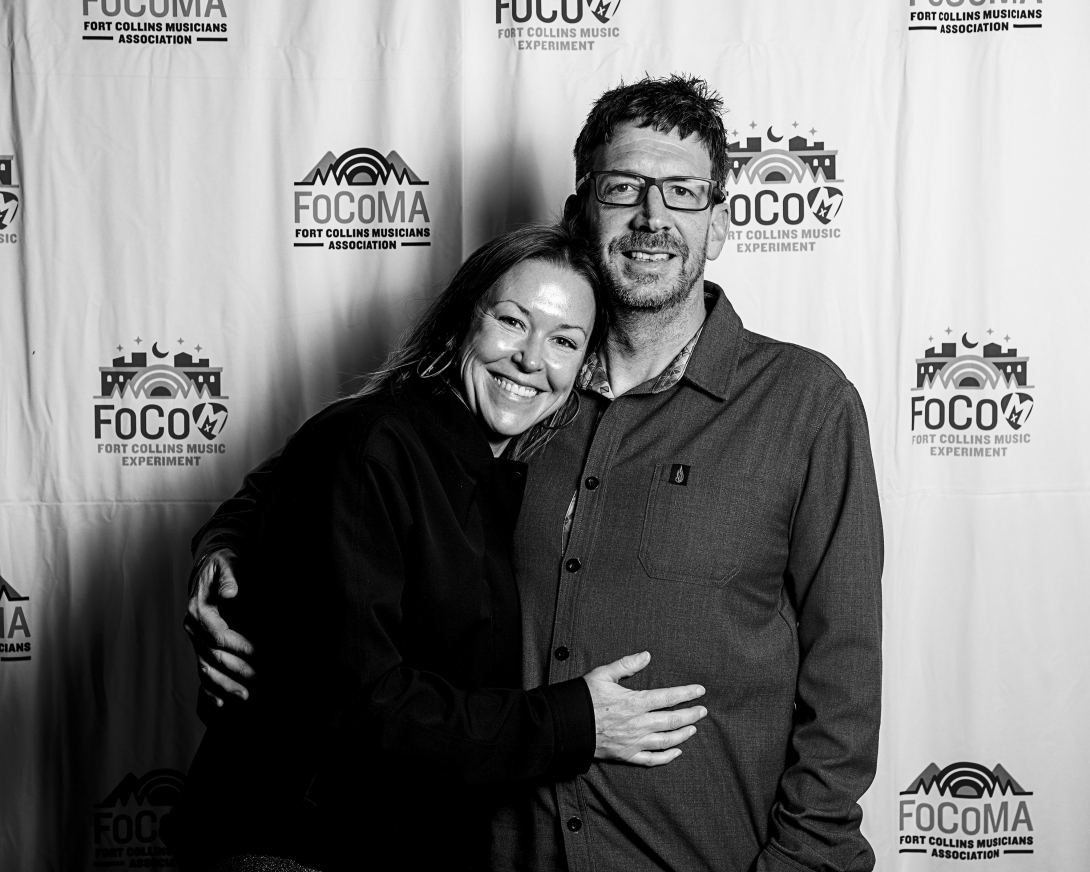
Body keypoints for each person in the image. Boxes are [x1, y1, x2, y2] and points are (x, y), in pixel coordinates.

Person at [186, 75, 884, 872]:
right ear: (581, 211)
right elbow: (300, 484)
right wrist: (222, 561)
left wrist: (805, 861)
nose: (652, 217)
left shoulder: (805, 404)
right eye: (624, 187)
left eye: (684, 193)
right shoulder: (519, 396)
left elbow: (845, 672)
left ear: (718, 223)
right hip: (493, 851)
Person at [166, 222, 710, 871]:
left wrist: (223, 543)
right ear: (460, 324)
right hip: (298, 846)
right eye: (512, 322)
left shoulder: (502, 460)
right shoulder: (372, 441)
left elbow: (267, 492)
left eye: (564, 340)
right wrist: (575, 722)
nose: (531, 358)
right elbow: (358, 704)